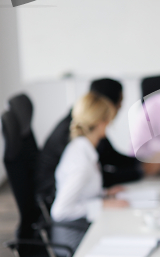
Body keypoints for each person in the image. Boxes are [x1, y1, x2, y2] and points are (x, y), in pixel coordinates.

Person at [35, 78, 144, 209]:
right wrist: (140, 171)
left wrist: (141, 164)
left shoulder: (85, 131)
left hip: (78, 198)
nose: (120, 107)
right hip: (54, 198)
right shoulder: (77, 143)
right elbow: (61, 209)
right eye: (120, 102)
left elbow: (110, 159)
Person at [50, 93, 128, 249]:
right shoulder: (81, 163)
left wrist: (105, 193)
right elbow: (60, 211)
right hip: (73, 235)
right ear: (101, 123)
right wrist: (103, 204)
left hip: (84, 225)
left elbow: (82, 193)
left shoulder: (81, 147)